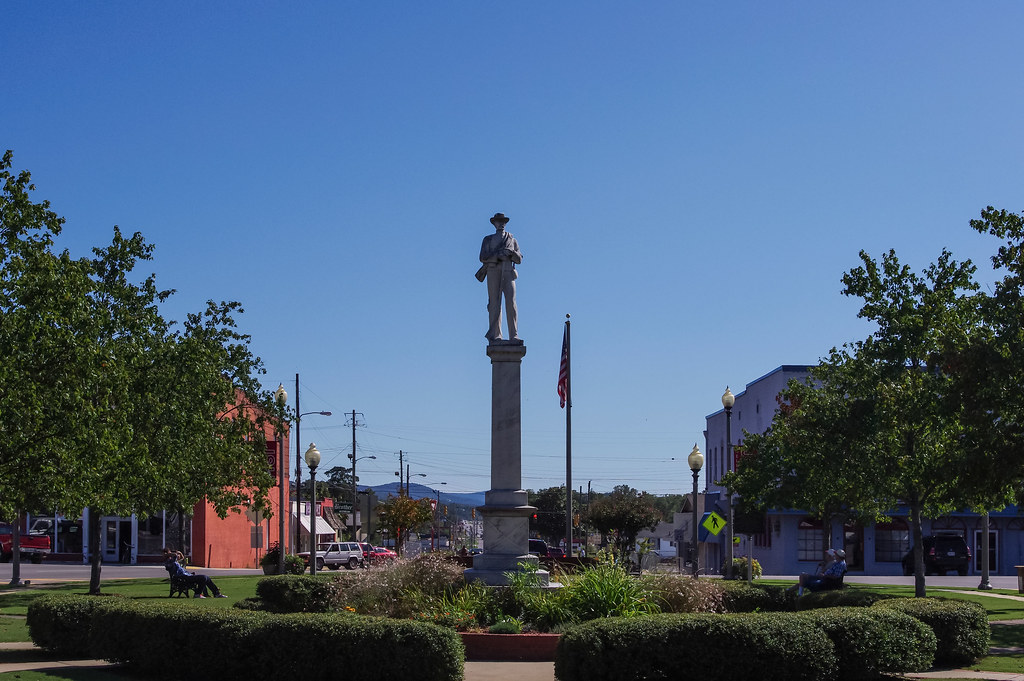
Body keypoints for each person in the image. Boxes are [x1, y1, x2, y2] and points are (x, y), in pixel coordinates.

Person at [476, 212, 522, 342]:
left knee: (511, 303)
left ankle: (514, 335)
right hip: (493, 271)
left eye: (503, 221)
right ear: (494, 223)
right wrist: (497, 256)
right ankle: (496, 334)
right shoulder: (488, 239)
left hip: (508, 271)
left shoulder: (512, 239)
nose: (501, 224)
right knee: (494, 303)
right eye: (498, 221)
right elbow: (482, 257)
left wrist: (511, 253)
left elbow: (519, 259)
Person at [162, 548, 227, 598]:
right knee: (203, 577)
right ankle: (197, 594)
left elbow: (181, 558)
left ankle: (216, 593)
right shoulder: (168, 562)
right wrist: (171, 554)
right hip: (182, 578)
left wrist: (180, 553)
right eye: (168, 553)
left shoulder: (173, 561)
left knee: (206, 577)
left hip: (187, 576)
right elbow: (175, 556)